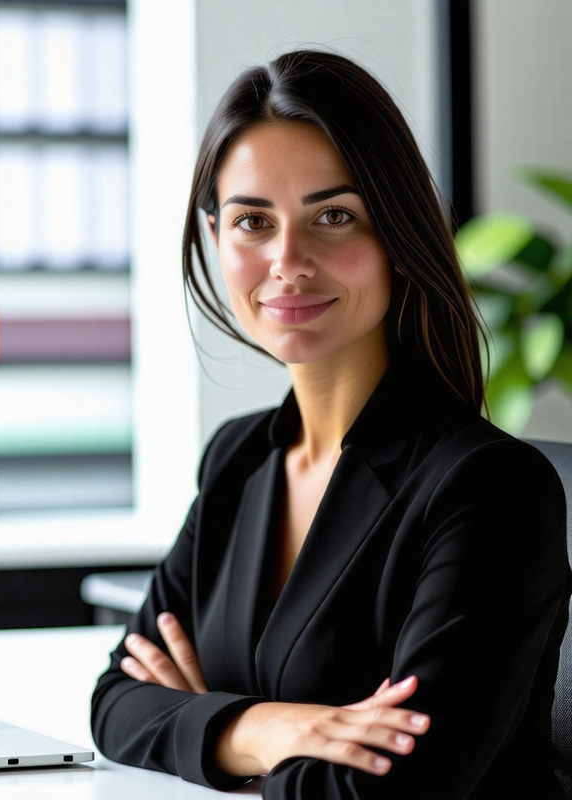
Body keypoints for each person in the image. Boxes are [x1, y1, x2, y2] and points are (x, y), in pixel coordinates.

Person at [89, 49, 571, 799]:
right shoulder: (239, 458)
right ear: (216, 238)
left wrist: (203, 721)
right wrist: (278, 729)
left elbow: (391, 788)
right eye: (253, 221)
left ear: (398, 239)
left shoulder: (490, 488)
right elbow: (116, 704)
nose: (288, 260)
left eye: (334, 217)